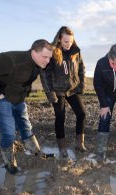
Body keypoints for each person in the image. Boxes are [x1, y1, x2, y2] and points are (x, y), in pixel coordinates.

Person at [0, 39, 54, 174]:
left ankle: (36, 153)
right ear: (34, 52)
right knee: (9, 133)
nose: (47, 61)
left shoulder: (38, 64)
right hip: (0, 97)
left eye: (49, 58)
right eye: (44, 57)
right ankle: (9, 163)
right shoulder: (10, 59)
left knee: (26, 126)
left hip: (18, 98)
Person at [40, 26, 86, 158]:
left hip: (72, 89)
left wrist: (81, 85)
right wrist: (50, 93)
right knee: (60, 117)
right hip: (57, 90)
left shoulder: (76, 51)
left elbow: (82, 68)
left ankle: (79, 144)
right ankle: (62, 148)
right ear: (59, 39)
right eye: (66, 41)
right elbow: (45, 75)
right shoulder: (52, 52)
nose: (69, 44)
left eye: (71, 41)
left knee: (81, 114)